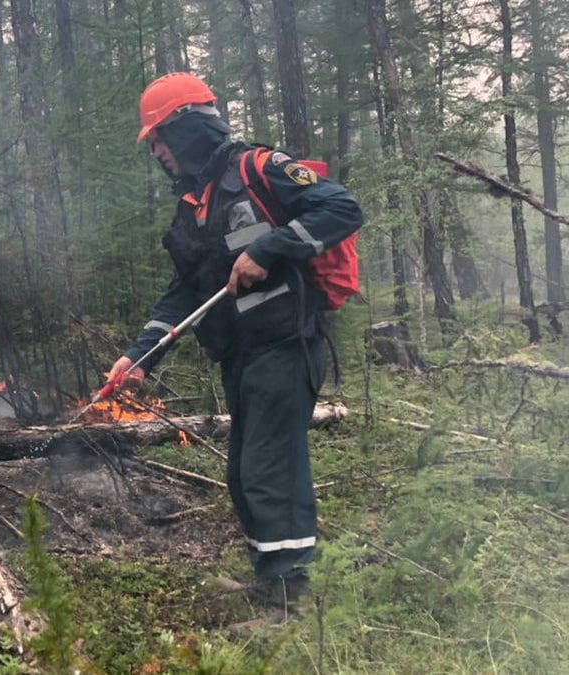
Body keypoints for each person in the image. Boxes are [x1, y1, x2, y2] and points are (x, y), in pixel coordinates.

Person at [109, 72, 363, 608]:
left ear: (185, 128)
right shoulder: (194, 208)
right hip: (242, 355)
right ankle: (268, 580)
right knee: (244, 469)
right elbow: (183, 293)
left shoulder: (261, 169)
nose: (155, 152)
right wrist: (138, 357)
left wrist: (269, 249)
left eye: (157, 138)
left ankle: (290, 603)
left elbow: (342, 207)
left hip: (287, 346)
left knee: (270, 467)